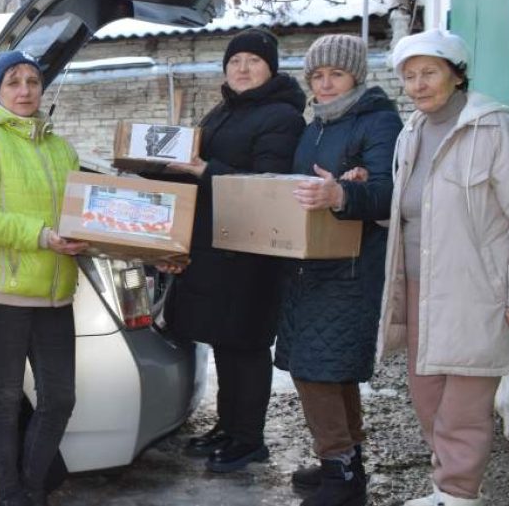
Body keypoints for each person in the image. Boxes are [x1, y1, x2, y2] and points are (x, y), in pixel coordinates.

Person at [379, 29, 509, 506]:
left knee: (465, 403)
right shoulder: (411, 131)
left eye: (428, 73)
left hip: (478, 288)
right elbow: (413, 208)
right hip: (419, 284)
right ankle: (445, 487)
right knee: (426, 392)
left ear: (456, 74)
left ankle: (458, 494)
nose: (417, 85)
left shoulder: (497, 130)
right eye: (409, 77)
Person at [153, 28, 306, 472]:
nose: (241, 68)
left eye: (252, 62)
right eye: (235, 61)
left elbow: (265, 186)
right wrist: (149, 174)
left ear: (270, 69)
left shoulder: (281, 117)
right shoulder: (224, 111)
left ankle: (249, 438)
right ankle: (228, 425)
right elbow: (197, 175)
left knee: (247, 345)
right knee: (225, 340)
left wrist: (203, 168)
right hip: (217, 246)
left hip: (251, 250)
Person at [0, 50, 87, 506]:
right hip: (2, 294)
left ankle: (29, 487)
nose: (25, 90)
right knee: (5, 399)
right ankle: (12, 495)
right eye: (13, 82)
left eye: (32, 81)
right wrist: (41, 236)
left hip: (54, 294)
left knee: (60, 399)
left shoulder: (60, 147)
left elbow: (85, 214)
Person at [274, 34, 402, 506]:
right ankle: (347, 464)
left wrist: (343, 195)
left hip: (351, 266)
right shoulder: (318, 124)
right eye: (318, 76)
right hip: (312, 266)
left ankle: (340, 475)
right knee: (331, 368)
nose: (326, 84)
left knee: (318, 369)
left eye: (336, 74)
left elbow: (391, 193)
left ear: (356, 76)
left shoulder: (378, 120)